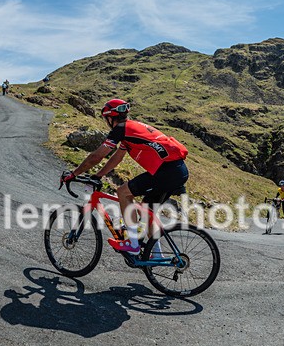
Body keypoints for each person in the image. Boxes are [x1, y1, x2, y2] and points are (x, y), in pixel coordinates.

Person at [62, 99, 189, 255]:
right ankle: (156, 254)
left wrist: (74, 174)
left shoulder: (121, 129)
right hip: (177, 170)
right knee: (147, 210)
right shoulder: (131, 129)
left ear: (110, 118)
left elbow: (97, 156)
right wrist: (98, 175)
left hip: (166, 172)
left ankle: (133, 243)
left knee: (123, 192)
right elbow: (117, 157)